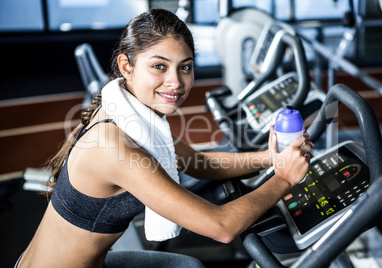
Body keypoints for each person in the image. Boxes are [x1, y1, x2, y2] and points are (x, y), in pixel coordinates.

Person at [16, 9, 313, 268]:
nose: (176, 82)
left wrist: (271, 159)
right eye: (159, 66)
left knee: (186, 265)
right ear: (126, 66)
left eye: (185, 67)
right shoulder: (117, 147)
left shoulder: (129, 113)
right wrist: (284, 178)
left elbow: (197, 162)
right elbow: (221, 227)